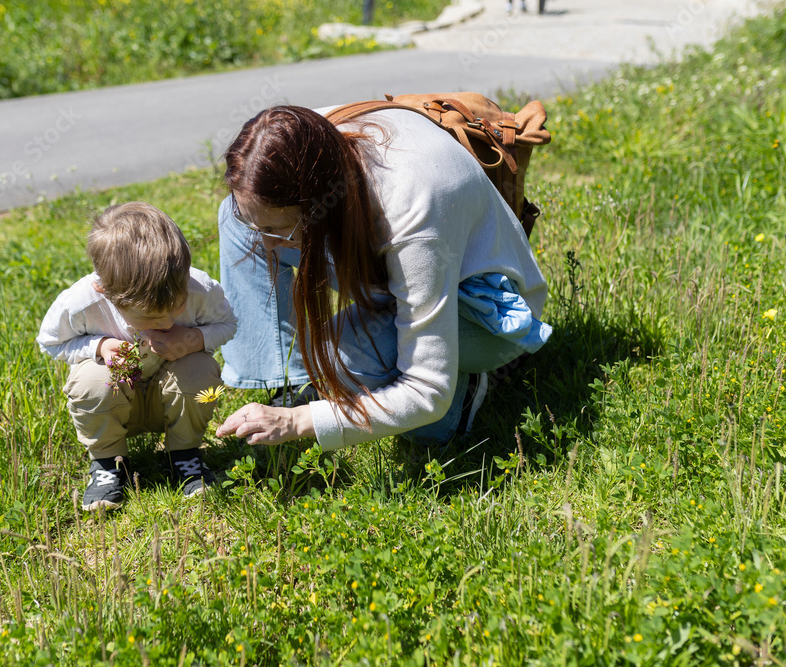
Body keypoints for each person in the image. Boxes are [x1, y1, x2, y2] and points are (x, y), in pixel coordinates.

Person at [214, 105, 552, 451]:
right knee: (237, 217)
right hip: (399, 266)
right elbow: (254, 219)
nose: (264, 244)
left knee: (396, 407)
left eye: (276, 230)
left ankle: (466, 379)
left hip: (481, 311)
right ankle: (289, 387)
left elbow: (427, 392)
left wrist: (299, 421)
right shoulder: (303, 140)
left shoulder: (413, 214)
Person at [37, 202, 237, 510]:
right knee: (91, 380)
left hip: (170, 396)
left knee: (201, 369)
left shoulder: (199, 288)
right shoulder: (80, 304)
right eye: (153, 318)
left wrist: (196, 339)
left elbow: (228, 323)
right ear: (105, 292)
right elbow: (50, 342)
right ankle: (108, 463)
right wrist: (99, 346)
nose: (169, 323)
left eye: (177, 307)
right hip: (113, 401)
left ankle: (185, 455)